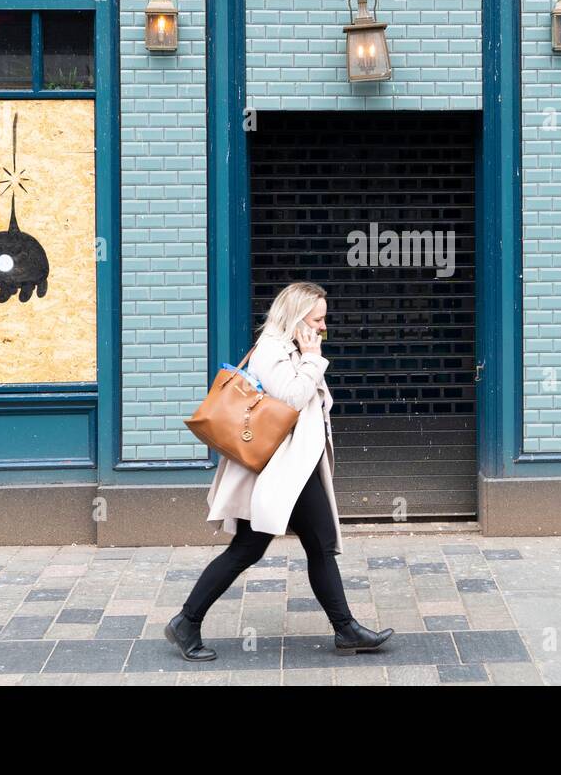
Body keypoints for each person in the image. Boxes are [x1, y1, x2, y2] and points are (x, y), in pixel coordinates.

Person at [166, 280, 394, 660]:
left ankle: (346, 630)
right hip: (279, 470)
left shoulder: (291, 348)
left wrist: (308, 356)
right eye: (318, 319)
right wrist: (311, 358)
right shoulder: (273, 350)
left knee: (313, 546)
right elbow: (290, 398)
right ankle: (186, 620)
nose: (323, 327)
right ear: (296, 315)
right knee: (253, 550)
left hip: (295, 468)